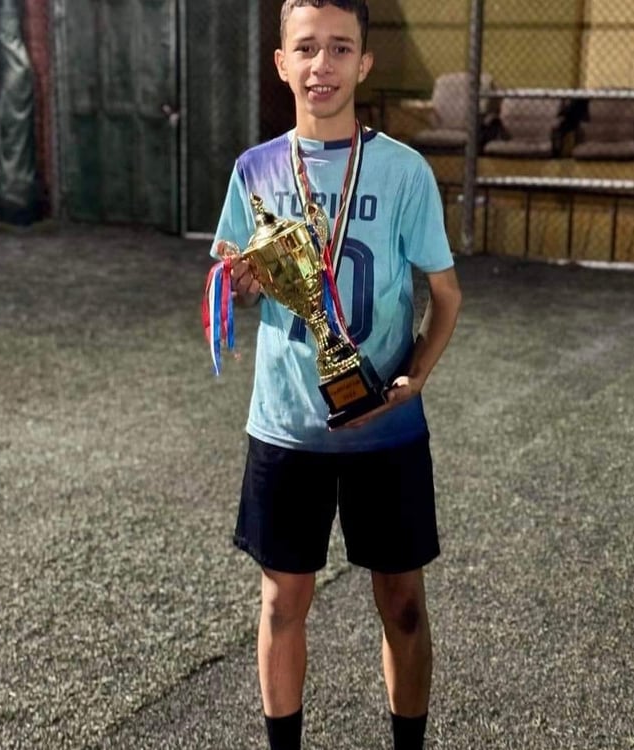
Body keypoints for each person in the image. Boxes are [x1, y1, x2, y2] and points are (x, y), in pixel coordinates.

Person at [209, 1, 462, 748]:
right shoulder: (254, 170)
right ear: (282, 63)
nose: (323, 65)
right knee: (283, 602)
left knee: (404, 604)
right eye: (307, 48)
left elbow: (446, 295)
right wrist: (240, 286)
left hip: (386, 424)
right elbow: (230, 280)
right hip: (286, 425)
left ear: (364, 63)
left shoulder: (404, 170)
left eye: (341, 48)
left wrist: (417, 377)